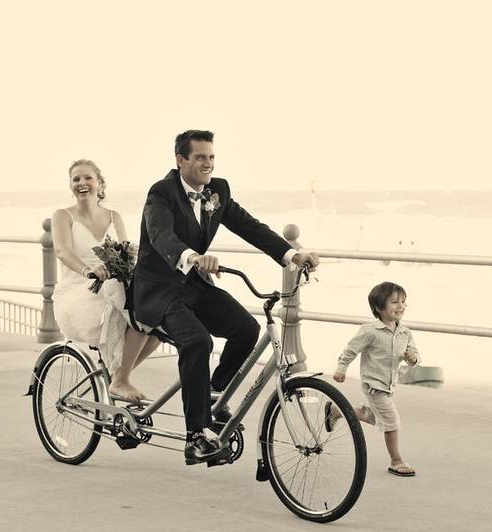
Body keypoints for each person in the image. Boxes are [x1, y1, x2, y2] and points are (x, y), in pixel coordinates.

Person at [131, 130, 319, 466]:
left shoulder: (218, 191)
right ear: (181, 160)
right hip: (158, 290)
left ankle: (214, 393)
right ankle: (196, 435)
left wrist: (292, 255)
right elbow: (162, 237)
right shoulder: (161, 192)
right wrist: (192, 257)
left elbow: (250, 227)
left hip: (191, 287)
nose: (208, 164)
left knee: (246, 329)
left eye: (212, 157)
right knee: (198, 342)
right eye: (200, 157)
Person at [51, 159, 160, 402]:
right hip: (79, 290)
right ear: (71, 186)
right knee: (137, 312)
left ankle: (118, 375)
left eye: (88, 178)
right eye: (76, 179)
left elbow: (126, 252)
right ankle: (119, 380)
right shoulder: (62, 216)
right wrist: (88, 270)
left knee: (158, 320)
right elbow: (63, 251)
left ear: (100, 184)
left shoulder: (114, 216)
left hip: (113, 285)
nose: (82, 183)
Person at [328, 281, 420, 477]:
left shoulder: (405, 332)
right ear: (379, 307)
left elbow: (412, 351)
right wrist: (341, 368)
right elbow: (351, 349)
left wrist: (413, 359)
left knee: (375, 417)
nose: (400, 306)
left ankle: (337, 411)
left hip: (388, 385)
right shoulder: (370, 331)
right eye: (394, 302)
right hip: (373, 385)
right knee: (392, 420)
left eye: (403, 301)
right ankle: (396, 461)